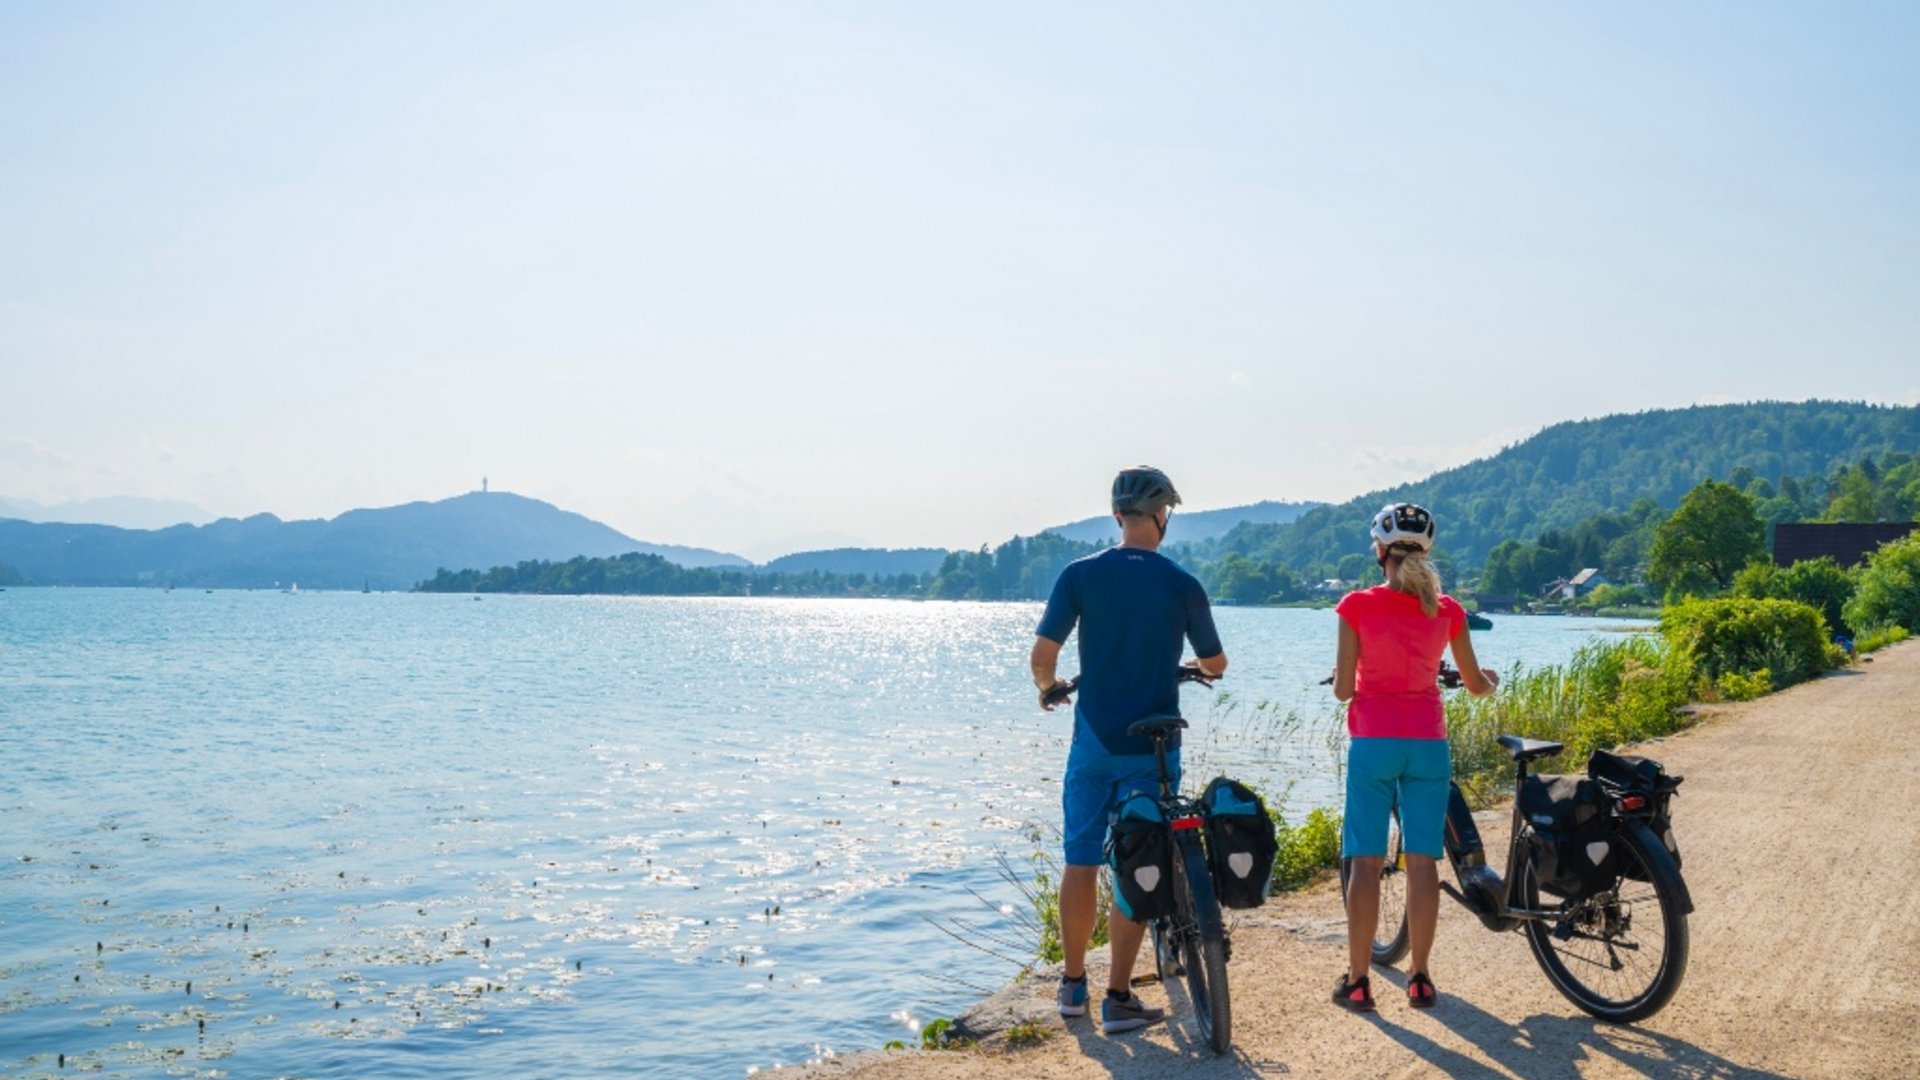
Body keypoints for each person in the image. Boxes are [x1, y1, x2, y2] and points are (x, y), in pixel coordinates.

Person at [1029, 466, 1228, 1034]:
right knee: (1136, 861)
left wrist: (1049, 690)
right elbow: (1215, 664)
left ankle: (1072, 987)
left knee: (1081, 859)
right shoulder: (1181, 582)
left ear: (1119, 515)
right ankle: (1119, 995)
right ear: (1163, 516)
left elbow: (1043, 657)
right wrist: (1190, 667)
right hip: (1153, 749)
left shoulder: (1078, 575)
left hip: (1093, 740)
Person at [1330, 503, 1496, 1012]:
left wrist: (1362, 681)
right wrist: (1490, 681)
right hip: (1428, 743)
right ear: (1426, 550)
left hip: (1373, 745)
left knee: (1366, 860)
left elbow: (1341, 691)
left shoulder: (1356, 605)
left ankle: (1359, 982)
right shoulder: (1446, 610)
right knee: (1423, 860)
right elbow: (1475, 687)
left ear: (1379, 550)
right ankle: (1420, 978)